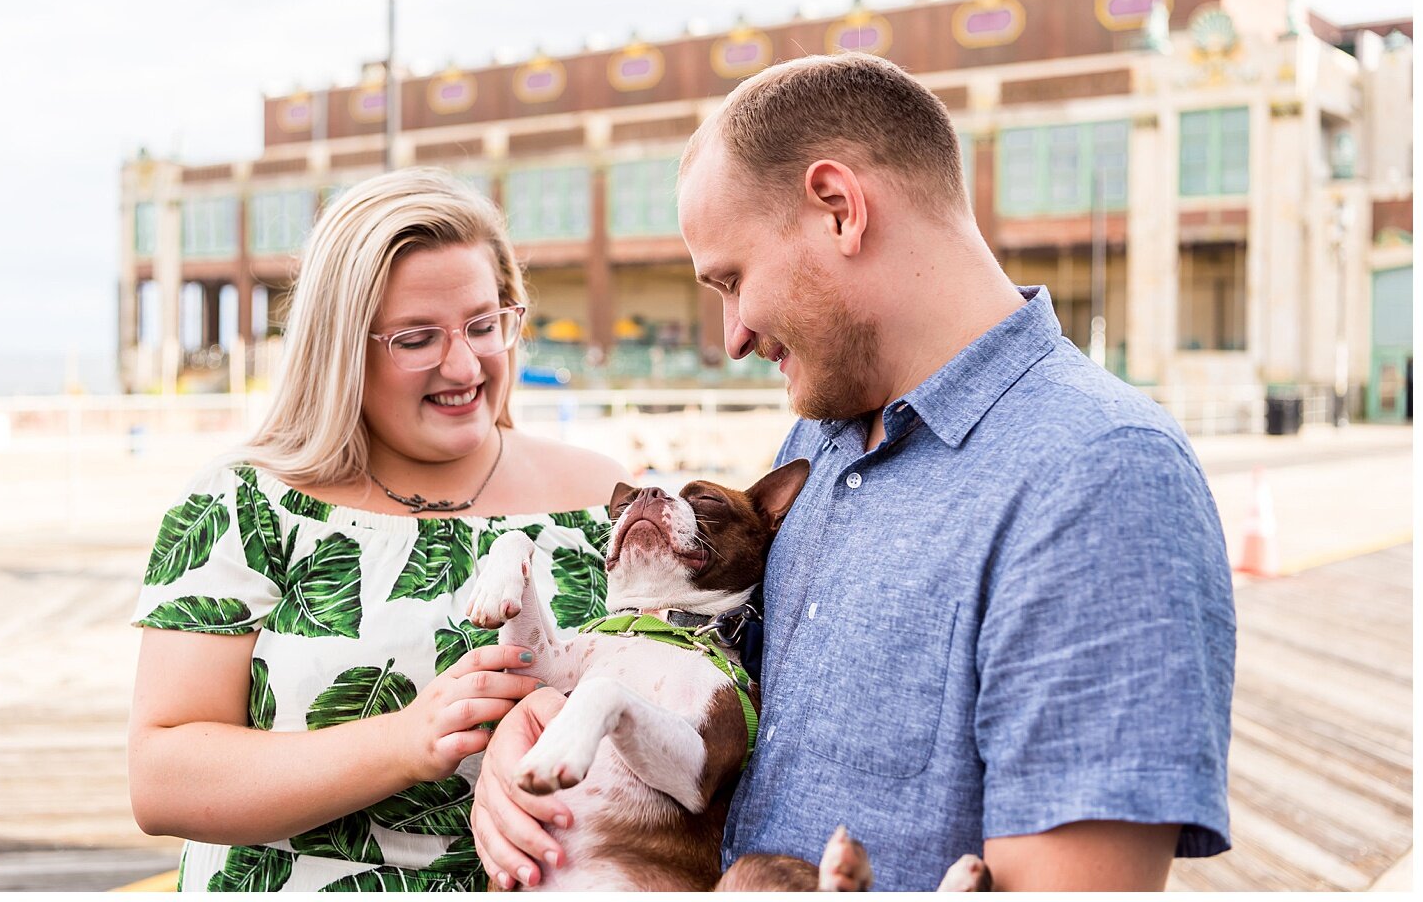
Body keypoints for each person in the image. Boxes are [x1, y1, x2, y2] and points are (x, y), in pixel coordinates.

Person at [471, 53, 1236, 891]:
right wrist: (534, 735)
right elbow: (695, 684)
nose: (731, 335)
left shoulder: (1101, 475)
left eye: (732, 280)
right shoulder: (815, 444)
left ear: (838, 209)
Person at [127, 168, 627, 891]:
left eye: (485, 325)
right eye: (417, 338)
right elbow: (162, 778)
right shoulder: (244, 503)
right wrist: (403, 741)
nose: (465, 364)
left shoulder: (600, 497)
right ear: (340, 348)